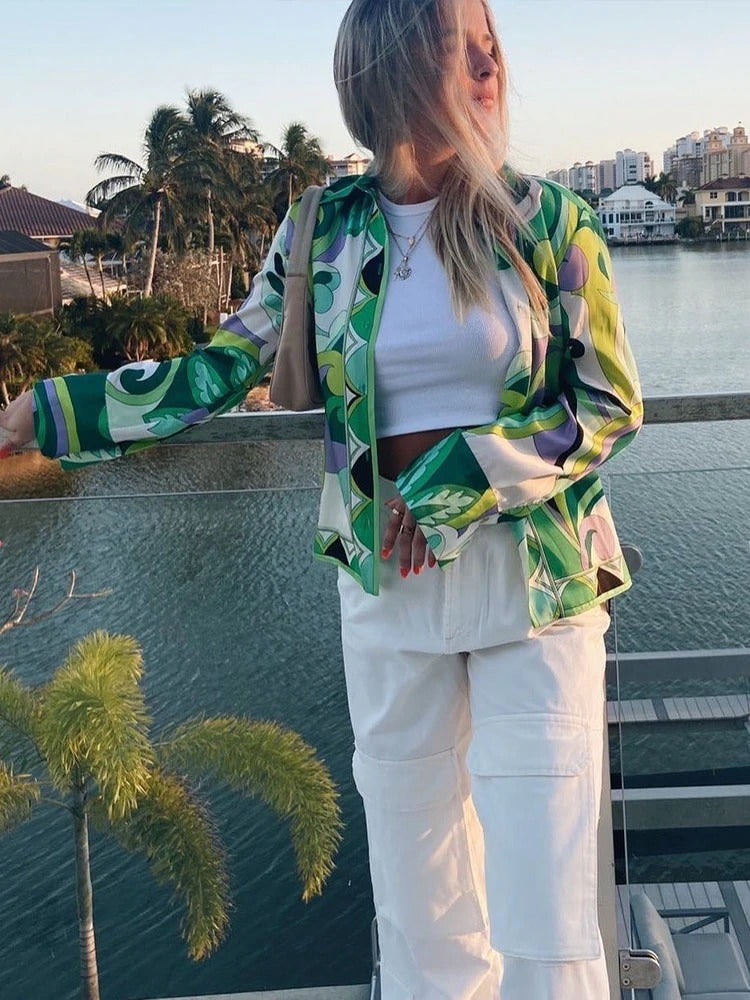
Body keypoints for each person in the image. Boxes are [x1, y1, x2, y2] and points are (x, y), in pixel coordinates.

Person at [0, 0, 643, 996]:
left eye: (492, 46)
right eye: (459, 46)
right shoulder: (322, 229)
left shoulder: (549, 220)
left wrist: (451, 487)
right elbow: (220, 369)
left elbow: (608, 404)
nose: (489, 65)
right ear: (388, 69)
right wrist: (50, 410)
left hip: (539, 590)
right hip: (386, 594)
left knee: (546, 919)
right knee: (421, 908)